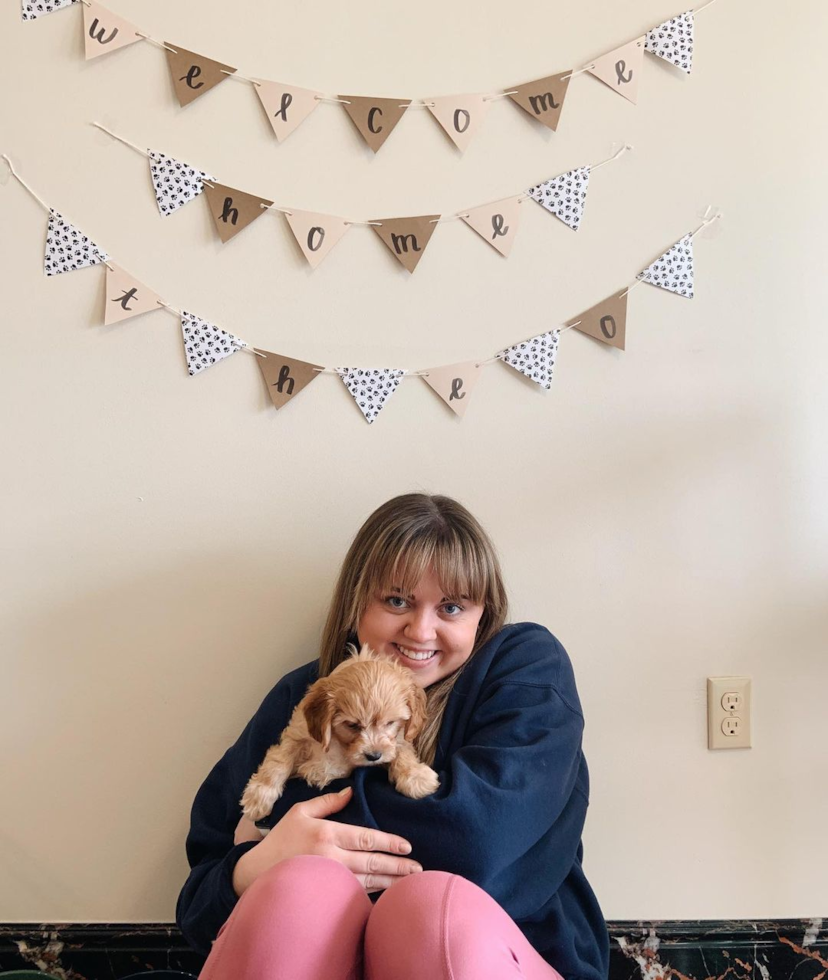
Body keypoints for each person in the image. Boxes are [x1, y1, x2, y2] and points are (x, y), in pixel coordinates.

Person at [176, 493, 609, 980]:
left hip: (507, 951)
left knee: (424, 909)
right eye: (397, 600)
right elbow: (199, 902)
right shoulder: (310, 692)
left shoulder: (525, 667)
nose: (420, 631)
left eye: (451, 607)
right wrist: (251, 871)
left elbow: (479, 846)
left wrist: (286, 831)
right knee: (300, 891)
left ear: (482, 615)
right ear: (357, 600)